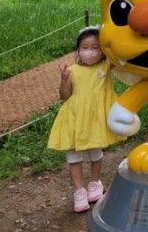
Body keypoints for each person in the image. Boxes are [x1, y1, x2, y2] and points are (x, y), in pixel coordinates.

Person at [48, 26, 124, 212]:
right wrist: (64, 80)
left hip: (94, 120)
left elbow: (121, 56)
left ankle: (95, 184)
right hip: (74, 118)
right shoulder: (72, 70)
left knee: (95, 151)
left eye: (95, 47)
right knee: (74, 155)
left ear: (102, 51)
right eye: (85, 47)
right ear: (78, 50)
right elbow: (64, 96)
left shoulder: (105, 66)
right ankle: (79, 191)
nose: (89, 51)